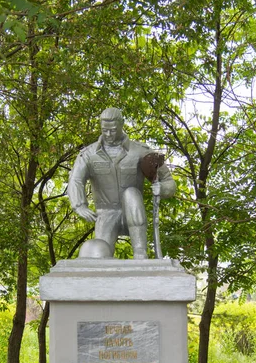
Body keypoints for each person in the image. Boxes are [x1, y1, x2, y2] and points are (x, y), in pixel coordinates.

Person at [68, 107, 176, 259]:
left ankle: (140, 255)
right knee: (99, 256)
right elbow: (76, 180)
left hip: (133, 211)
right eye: (104, 130)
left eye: (112, 130)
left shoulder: (140, 151)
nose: (108, 134)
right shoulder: (88, 154)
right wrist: (79, 205)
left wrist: (162, 188)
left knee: (131, 193)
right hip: (106, 212)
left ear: (121, 125)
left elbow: (169, 183)